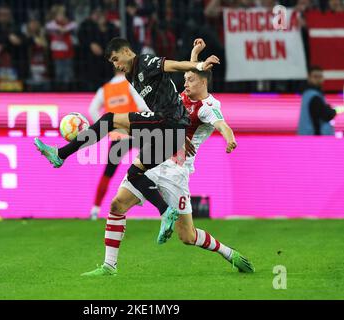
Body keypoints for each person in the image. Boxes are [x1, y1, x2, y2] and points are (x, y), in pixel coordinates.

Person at [81, 38, 254, 277]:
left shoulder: (208, 106)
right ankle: (109, 266)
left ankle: (228, 253)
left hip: (176, 171)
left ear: (203, 81)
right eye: (186, 79)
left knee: (188, 236)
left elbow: (221, 123)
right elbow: (188, 73)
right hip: (156, 153)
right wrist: (195, 53)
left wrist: (229, 138)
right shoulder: (184, 96)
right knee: (117, 204)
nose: (185, 82)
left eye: (190, 79)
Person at [35, 37, 220, 244]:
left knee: (108, 119)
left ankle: (60, 154)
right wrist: (178, 136)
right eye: (112, 63)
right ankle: (165, 212)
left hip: (169, 122)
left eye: (116, 59)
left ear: (126, 52)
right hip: (170, 131)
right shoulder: (130, 77)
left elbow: (174, 65)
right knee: (134, 174)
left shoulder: (146, 62)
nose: (116, 65)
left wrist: (200, 64)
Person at [88, 68, 149, 220]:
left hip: (118, 136)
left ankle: (95, 210)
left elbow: (92, 110)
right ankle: (167, 206)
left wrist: (109, 129)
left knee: (108, 173)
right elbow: (143, 107)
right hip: (136, 133)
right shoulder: (130, 85)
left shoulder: (104, 90)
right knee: (156, 165)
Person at [297, 66, 344, 135]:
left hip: (308, 136)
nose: (318, 79)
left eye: (320, 76)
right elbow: (325, 115)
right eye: (315, 76)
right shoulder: (314, 96)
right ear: (309, 78)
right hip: (313, 138)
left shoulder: (308, 94)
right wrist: (334, 110)